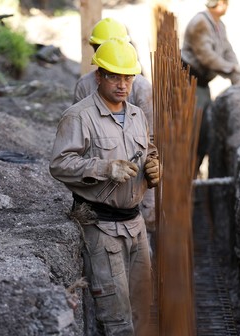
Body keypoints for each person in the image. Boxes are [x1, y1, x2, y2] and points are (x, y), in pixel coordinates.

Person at [49, 38, 160, 336]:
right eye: (114, 76)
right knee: (115, 304)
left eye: (128, 77)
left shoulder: (138, 115)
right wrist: (102, 167)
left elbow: (148, 152)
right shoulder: (79, 116)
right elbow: (60, 164)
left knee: (141, 298)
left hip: (135, 222)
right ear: (99, 75)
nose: (122, 84)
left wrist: (154, 170)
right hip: (102, 223)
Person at [74, 18, 156, 240]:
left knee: (144, 224)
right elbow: (77, 146)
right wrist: (103, 168)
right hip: (98, 183)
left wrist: (152, 168)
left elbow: (152, 140)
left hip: (136, 179)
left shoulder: (140, 88)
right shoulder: (85, 85)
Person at [181, 0, 240, 174]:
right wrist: (235, 69)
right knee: (192, 131)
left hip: (201, 85)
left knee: (203, 130)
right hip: (187, 84)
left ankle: (194, 171)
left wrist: (238, 80)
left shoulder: (218, 24)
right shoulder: (200, 23)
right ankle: (187, 174)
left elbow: (228, 52)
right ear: (219, 4)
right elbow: (208, 58)